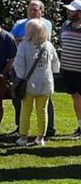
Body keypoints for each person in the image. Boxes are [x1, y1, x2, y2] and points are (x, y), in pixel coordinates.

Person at [10, 0, 55, 137]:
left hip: (35, 68)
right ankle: (21, 128)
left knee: (42, 106)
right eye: (30, 9)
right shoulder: (19, 23)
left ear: (42, 11)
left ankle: (48, 129)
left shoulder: (46, 24)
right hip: (24, 64)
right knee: (19, 98)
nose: (32, 12)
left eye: (35, 9)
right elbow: (12, 39)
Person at [13, 19, 60, 147]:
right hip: (46, 82)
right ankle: (40, 137)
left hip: (29, 83)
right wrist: (54, 72)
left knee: (26, 110)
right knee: (42, 110)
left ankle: (23, 137)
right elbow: (56, 63)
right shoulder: (49, 45)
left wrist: (21, 77)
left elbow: (18, 63)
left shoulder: (24, 45)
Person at [59, 0, 81, 138]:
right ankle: (80, 126)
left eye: (72, 11)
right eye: (68, 10)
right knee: (76, 97)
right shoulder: (65, 25)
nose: (68, 13)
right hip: (68, 70)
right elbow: (62, 42)